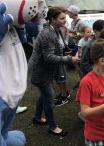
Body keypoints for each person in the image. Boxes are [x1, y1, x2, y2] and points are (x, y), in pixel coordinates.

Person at [29, 7, 79, 136]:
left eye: (65, 17)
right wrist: (69, 59)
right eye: (62, 18)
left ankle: (37, 117)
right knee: (49, 98)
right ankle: (52, 126)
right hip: (40, 71)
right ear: (52, 19)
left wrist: (65, 50)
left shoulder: (55, 30)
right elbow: (49, 57)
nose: (65, 20)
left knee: (44, 95)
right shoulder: (48, 34)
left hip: (47, 71)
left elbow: (56, 48)